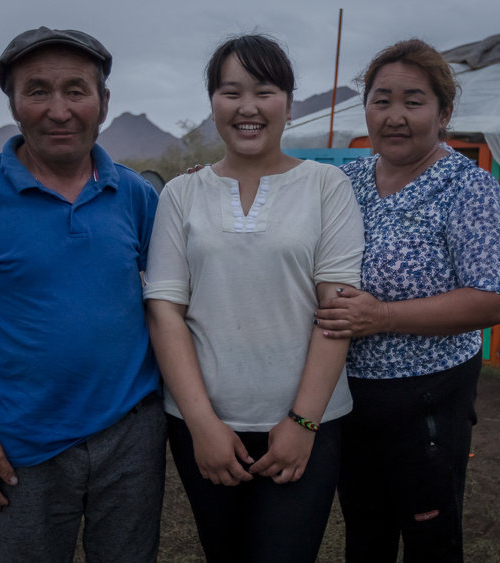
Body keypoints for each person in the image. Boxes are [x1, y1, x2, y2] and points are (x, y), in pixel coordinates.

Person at [0, 27, 165, 562]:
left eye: (76, 90)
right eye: (37, 91)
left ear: (103, 103)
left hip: (133, 435)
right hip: (20, 444)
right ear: (13, 104)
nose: (59, 110)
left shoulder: (136, 195)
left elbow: (172, 301)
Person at [143, 34, 364, 563]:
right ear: (213, 103)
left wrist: (303, 423)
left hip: (307, 423)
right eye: (229, 92)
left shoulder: (326, 187)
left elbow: (336, 312)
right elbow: (165, 310)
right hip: (203, 424)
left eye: (264, 91)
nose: (247, 108)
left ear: (288, 101)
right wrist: (202, 425)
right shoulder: (181, 194)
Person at [314, 39, 500, 562]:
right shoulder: (348, 180)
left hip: (427, 402)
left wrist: (382, 315)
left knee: (430, 539)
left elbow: (497, 299)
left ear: (444, 111)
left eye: (413, 101)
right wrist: (213, 182)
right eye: (381, 100)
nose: (395, 116)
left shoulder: (466, 187)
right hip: (348, 396)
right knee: (365, 535)